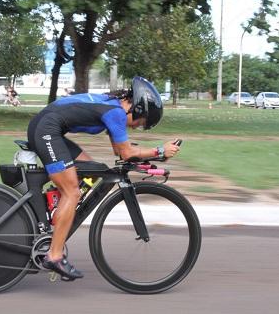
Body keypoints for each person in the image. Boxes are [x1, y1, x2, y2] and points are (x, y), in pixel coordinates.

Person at [26, 76, 180, 280]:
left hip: (48, 127)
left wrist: (154, 156)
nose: (135, 127)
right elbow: (126, 153)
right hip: (46, 130)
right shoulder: (116, 113)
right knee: (71, 191)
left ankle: (56, 209)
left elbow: (119, 149)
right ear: (138, 108)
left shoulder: (113, 108)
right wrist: (160, 150)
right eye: (140, 123)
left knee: (91, 168)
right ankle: (54, 255)